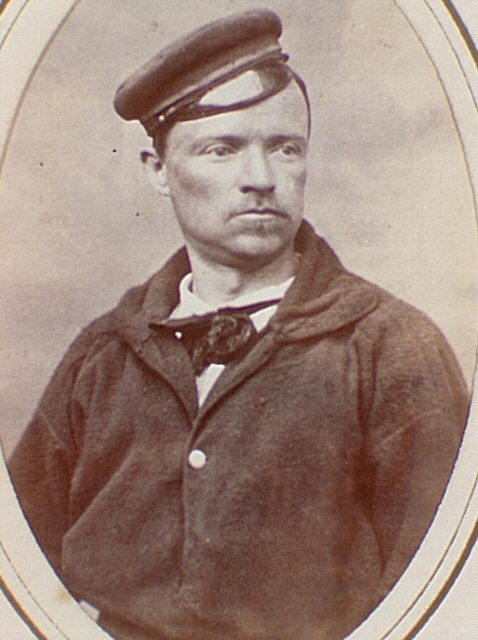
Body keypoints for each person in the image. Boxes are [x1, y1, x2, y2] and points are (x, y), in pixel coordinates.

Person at [9, 9, 469, 640]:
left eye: (285, 147)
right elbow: (18, 565)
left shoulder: (391, 347)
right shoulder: (104, 353)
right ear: (157, 169)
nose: (261, 179)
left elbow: (444, 594)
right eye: (222, 149)